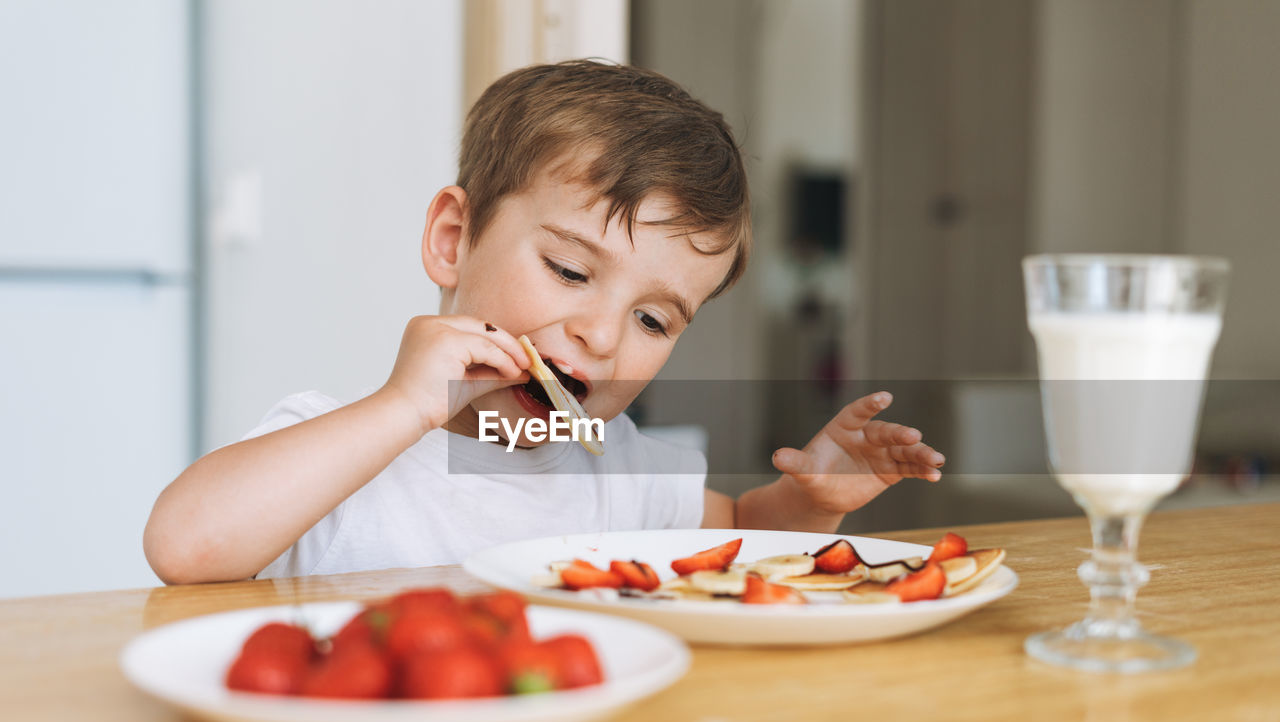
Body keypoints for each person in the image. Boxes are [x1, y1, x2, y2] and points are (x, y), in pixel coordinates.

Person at [144, 60, 944, 585]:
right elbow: (184, 546)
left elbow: (737, 529)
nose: (602, 336)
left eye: (654, 320)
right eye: (568, 271)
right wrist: (403, 406)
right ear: (453, 241)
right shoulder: (340, 445)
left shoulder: (619, 470)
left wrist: (811, 502)